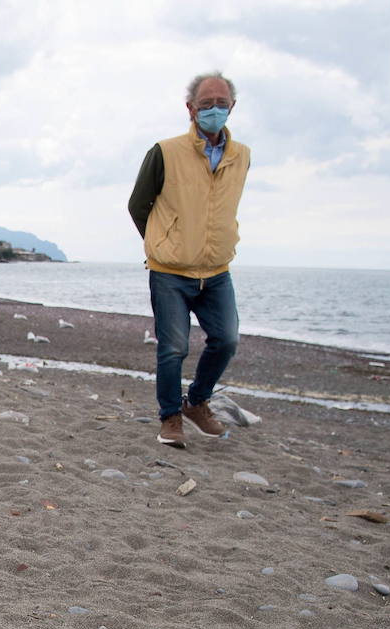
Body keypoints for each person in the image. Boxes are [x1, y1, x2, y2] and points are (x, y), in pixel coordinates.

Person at [128, 71, 250, 448]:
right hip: (170, 271)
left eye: (221, 103)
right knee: (173, 348)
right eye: (206, 104)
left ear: (232, 106)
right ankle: (170, 419)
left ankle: (197, 402)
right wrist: (165, 242)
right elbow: (138, 205)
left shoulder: (241, 156)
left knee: (226, 339)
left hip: (216, 271)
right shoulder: (164, 152)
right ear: (190, 109)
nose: (214, 109)